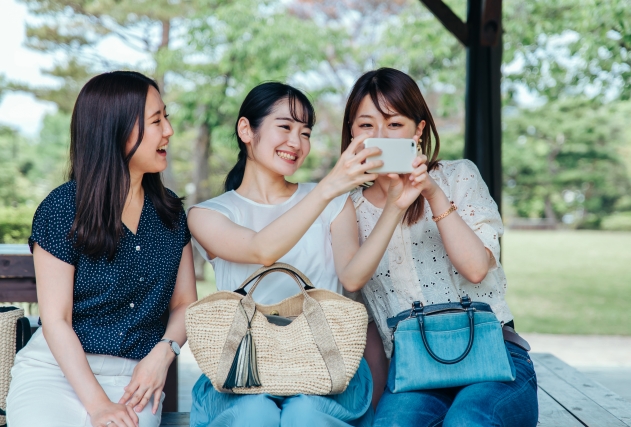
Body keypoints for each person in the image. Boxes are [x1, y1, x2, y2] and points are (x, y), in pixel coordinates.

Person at [188, 81, 429, 427]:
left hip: (326, 364)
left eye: (305, 132)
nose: (296, 143)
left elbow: (351, 278)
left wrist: (394, 207)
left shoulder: (335, 202)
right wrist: (329, 187)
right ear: (246, 129)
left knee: (306, 414)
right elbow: (263, 249)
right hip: (246, 370)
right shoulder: (209, 214)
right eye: (284, 127)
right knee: (255, 414)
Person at [340, 68, 539, 427]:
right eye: (366, 126)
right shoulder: (348, 211)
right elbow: (365, 319)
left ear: (418, 129)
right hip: (413, 371)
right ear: (351, 132)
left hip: (493, 359)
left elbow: (476, 268)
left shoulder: (458, 177)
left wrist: (431, 191)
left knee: (468, 421)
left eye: (394, 124)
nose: (380, 137)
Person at [6, 71, 197, 427]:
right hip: (56, 373)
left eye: (165, 117)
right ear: (117, 132)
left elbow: (186, 302)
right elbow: (56, 321)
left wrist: (164, 352)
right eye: (157, 120)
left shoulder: (169, 212)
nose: (168, 130)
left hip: (134, 380)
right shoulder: (62, 209)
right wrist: (97, 405)